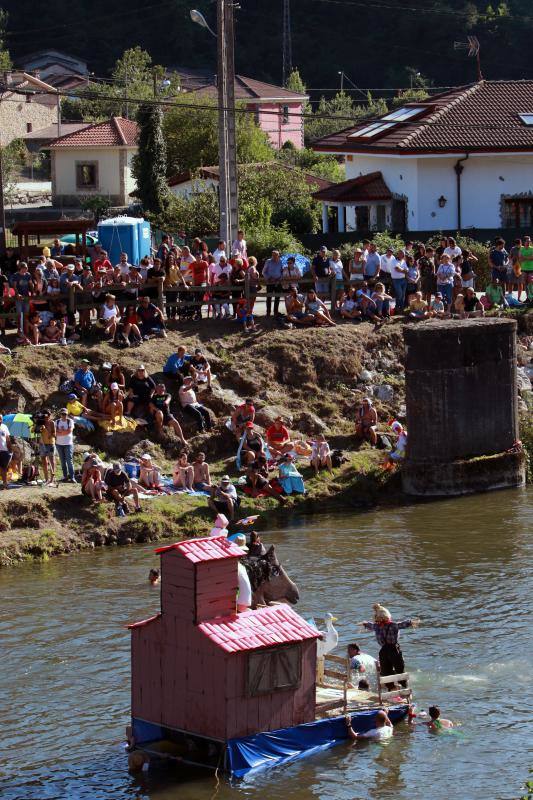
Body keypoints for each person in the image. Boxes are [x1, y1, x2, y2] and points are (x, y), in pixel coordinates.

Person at [362, 603, 417, 689]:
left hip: (383, 652)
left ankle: (391, 688)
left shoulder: (377, 626)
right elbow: (403, 624)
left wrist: (364, 624)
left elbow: (370, 625)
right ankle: (404, 687)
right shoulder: (393, 625)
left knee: (386, 672)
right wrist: (410, 622)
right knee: (400, 670)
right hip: (394, 650)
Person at [36, 409, 57, 485]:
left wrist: (46, 430)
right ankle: (46, 479)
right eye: (45, 415)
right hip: (42, 443)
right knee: (44, 461)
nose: (47, 417)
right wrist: (38, 427)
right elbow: (35, 431)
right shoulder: (40, 422)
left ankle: (52, 479)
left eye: (48, 415)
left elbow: (54, 435)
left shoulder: (52, 423)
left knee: (51, 461)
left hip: (50, 443)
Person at [55, 409, 76, 482]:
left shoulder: (70, 421)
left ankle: (72, 477)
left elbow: (69, 431)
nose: (64, 416)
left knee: (69, 461)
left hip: (68, 444)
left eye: (65, 414)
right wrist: (63, 432)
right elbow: (55, 432)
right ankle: (65, 476)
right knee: (62, 461)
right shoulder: (57, 422)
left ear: (67, 414)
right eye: (63, 414)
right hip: (59, 444)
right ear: (60, 414)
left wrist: (60, 432)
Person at [262, 250, 284, 316]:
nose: (274, 257)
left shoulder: (281, 261)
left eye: (275, 255)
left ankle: (275, 312)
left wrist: (279, 279)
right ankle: (268, 312)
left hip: (278, 282)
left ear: (278, 255)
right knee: (269, 297)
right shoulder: (268, 261)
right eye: (273, 255)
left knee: (277, 297)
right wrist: (269, 278)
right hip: (270, 282)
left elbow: (283, 272)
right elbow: (263, 272)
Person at [0, 413, 12, 489]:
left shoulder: (4, 427)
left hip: (4, 450)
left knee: (4, 468)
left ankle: (5, 483)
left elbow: (8, 439)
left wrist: (10, 450)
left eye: (0, 419)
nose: (0, 420)